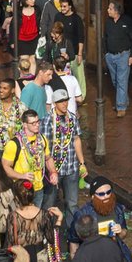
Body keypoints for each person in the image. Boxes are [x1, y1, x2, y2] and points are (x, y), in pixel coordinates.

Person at [45, 86, 85, 225]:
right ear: (55, 103)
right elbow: (45, 147)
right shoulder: (48, 120)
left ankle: (72, 233)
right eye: (61, 101)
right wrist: (50, 170)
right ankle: (49, 232)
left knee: (72, 204)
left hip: (71, 168)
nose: (65, 104)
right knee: (50, 204)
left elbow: (76, 139)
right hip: (54, 170)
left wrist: (82, 163)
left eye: (66, 100)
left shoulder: (72, 119)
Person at [5, 172, 64, 262]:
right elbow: (51, 240)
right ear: (33, 195)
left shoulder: (12, 216)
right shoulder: (44, 214)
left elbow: (9, 244)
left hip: (22, 257)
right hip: (40, 258)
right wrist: (59, 219)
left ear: (16, 198)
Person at [103, 0, 132, 116]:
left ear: (117, 11)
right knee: (115, 81)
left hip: (123, 55)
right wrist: (105, 53)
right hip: (110, 56)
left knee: (121, 81)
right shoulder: (108, 22)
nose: (108, 10)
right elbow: (105, 37)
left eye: (110, 9)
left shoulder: (127, 22)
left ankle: (121, 107)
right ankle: (124, 100)